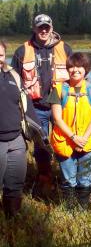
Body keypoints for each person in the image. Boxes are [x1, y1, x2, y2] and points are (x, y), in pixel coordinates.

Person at [11, 14, 72, 198]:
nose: (44, 30)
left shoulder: (65, 48)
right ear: (34, 28)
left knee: (65, 141)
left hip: (61, 106)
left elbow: (78, 75)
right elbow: (14, 80)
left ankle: (69, 178)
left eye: (47, 27)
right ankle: (45, 177)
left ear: (52, 28)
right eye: (40, 27)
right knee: (41, 145)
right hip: (35, 107)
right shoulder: (22, 51)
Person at [48, 52, 91, 209]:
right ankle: (70, 208)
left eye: (79, 67)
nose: (75, 70)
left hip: (88, 141)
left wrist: (83, 139)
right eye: (71, 67)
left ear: (86, 69)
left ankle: (83, 207)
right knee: (68, 179)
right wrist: (73, 137)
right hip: (65, 142)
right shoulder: (58, 90)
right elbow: (57, 119)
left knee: (85, 179)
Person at [0, 41, 40, 218]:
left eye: (1, 54)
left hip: (17, 140)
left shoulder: (13, 76)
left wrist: (39, 131)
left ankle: (13, 219)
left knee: (15, 184)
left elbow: (26, 105)